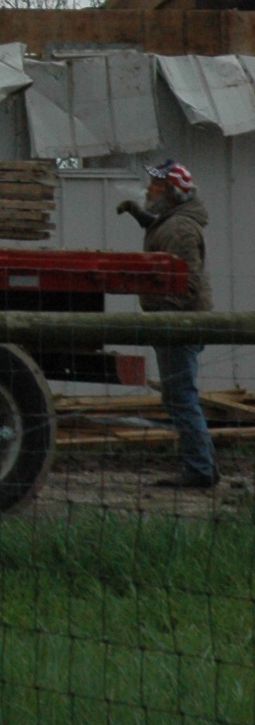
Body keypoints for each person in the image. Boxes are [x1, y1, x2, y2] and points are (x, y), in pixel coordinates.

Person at [116, 159, 218, 490]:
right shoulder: (175, 222)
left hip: (179, 324)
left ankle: (200, 469)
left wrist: (164, 317)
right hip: (178, 322)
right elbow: (164, 232)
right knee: (180, 395)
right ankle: (205, 465)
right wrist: (140, 216)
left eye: (156, 185)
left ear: (172, 193)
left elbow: (187, 282)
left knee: (179, 397)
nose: (149, 189)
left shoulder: (180, 230)